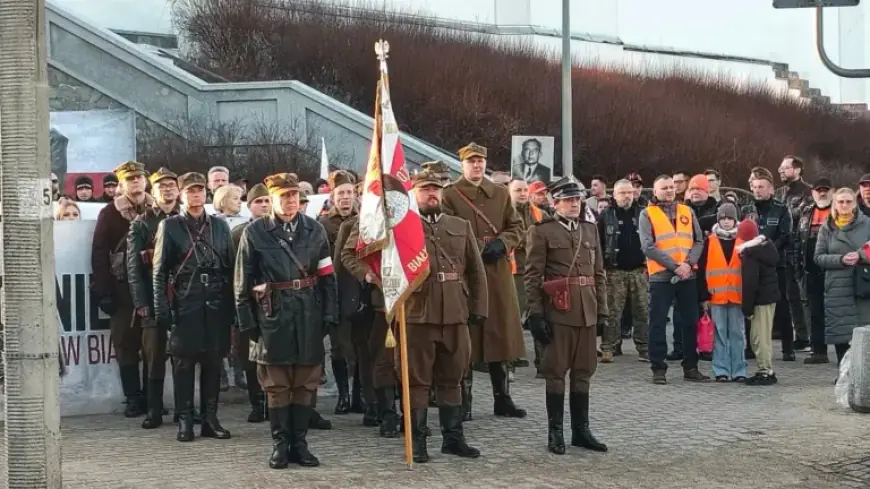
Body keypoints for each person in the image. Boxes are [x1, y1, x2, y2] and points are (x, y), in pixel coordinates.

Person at [234, 172, 338, 468]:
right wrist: (248, 323)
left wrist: (330, 313)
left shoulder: (315, 230)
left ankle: (300, 444)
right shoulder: (254, 233)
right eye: (284, 196)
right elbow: (242, 282)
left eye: (294, 196)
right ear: (273, 200)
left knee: (305, 383)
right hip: (272, 315)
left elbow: (327, 276)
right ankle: (280, 445)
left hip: (309, 314)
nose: (291, 201)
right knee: (277, 384)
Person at [402, 169, 487, 463]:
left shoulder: (460, 225)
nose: (431, 194)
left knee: (454, 378)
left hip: (455, 312)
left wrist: (478, 309)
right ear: (414, 193)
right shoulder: (403, 228)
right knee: (418, 381)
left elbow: (476, 271)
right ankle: (419, 440)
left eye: (436, 189)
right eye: (425, 189)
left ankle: (453, 438)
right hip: (418, 314)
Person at [442, 142, 527, 421]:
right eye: (471, 161)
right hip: (467, 273)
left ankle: (502, 398)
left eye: (480, 161)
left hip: (498, 271)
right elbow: (446, 230)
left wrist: (503, 243)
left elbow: (516, 226)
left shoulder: (501, 194)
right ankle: (463, 401)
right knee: (467, 338)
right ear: (462, 165)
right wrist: (470, 250)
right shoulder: (450, 195)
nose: (477, 165)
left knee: (499, 334)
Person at [525, 177, 608, 455]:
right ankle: (555, 432)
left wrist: (604, 312)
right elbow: (532, 276)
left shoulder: (590, 230)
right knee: (556, 372)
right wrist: (535, 314)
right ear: (555, 203)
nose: (574, 204)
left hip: (587, 310)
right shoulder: (542, 232)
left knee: (584, 372)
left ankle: (581, 431)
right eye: (568, 200)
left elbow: (599, 274)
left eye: (577, 200)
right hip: (558, 311)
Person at [153, 172, 235, 442]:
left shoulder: (220, 227)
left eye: (200, 190)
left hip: (216, 302)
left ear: (206, 193)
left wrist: (233, 307)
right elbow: (159, 272)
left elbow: (231, 268)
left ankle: (210, 419)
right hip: (185, 301)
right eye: (190, 190)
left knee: (213, 363)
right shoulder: (170, 226)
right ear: (181, 194)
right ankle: (185, 419)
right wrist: (162, 308)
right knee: (183, 365)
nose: (196, 194)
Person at [92, 161, 153, 417]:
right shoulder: (109, 213)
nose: (136, 182)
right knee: (125, 345)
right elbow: (99, 254)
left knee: (153, 345)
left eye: (139, 178)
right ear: (121, 185)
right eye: (130, 179)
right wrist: (104, 291)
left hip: (153, 286)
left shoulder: (158, 209)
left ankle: (153, 397)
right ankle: (133, 398)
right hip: (122, 287)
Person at [639, 175, 708, 385]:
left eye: (671, 187)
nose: (669, 191)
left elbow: (698, 240)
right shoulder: (647, 214)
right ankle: (658, 368)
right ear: (655, 191)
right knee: (657, 323)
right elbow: (648, 246)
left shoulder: (687, 211)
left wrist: (688, 264)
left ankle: (691, 366)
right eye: (664, 188)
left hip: (687, 275)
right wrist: (676, 266)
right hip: (661, 277)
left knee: (689, 322)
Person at [127, 168, 181, 429]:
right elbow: (133, 269)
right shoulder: (141, 223)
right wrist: (142, 304)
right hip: (152, 296)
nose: (167, 189)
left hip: (184, 299)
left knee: (185, 357)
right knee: (154, 358)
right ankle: (154, 410)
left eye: (172, 185)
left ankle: (184, 409)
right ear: (153, 190)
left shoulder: (188, 219)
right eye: (162, 186)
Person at [229, 183, 272, 423]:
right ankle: (258, 403)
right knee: (249, 354)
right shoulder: (239, 233)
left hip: (276, 301)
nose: (264, 205)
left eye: (267, 201)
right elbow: (234, 272)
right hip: (249, 301)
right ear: (249, 206)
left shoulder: (279, 230)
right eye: (259, 202)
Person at [317, 170, 358, 415]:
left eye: (349, 193)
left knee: (362, 346)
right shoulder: (322, 225)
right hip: (335, 292)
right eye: (341, 193)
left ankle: (360, 395)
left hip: (360, 290)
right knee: (339, 347)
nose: (345, 198)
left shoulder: (366, 220)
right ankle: (343, 395)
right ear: (333, 196)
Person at [742, 167, 794, 361]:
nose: (757, 190)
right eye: (754, 187)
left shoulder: (781, 209)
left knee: (781, 305)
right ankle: (750, 347)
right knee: (751, 304)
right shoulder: (747, 210)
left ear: (771, 190)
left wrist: (766, 249)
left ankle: (788, 348)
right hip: (752, 265)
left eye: (761, 187)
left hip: (776, 265)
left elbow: (785, 236)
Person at [814, 187, 870, 367]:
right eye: (840, 202)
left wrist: (860, 256)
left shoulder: (867, 224)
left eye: (848, 201)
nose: (844, 205)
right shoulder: (827, 227)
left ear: (855, 204)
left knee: (862, 336)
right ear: (834, 204)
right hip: (837, 288)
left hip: (861, 286)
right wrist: (840, 259)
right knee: (841, 336)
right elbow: (818, 257)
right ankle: (844, 377)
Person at [598, 179, 648, 362]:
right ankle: (609, 347)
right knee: (612, 312)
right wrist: (601, 267)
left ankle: (644, 347)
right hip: (614, 271)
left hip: (639, 270)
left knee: (642, 310)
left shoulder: (643, 213)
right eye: (622, 193)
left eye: (629, 192)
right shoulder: (605, 215)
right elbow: (599, 243)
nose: (627, 196)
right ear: (614, 195)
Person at [696, 203, 747, 382]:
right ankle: (721, 370)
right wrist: (704, 296)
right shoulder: (710, 241)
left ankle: (740, 370)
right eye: (723, 218)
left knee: (737, 334)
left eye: (729, 218)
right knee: (719, 334)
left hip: (737, 296)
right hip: (716, 296)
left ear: (735, 220)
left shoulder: (743, 241)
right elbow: (702, 270)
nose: (726, 222)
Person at [776, 155, 812, 352]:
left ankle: (810, 336)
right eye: (780, 168)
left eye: (785, 167)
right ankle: (800, 335)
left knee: (804, 295)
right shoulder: (779, 193)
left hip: (800, 251)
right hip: (783, 252)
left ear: (797, 169)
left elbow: (801, 217)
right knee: (789, 296)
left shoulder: (808, 192)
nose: (781, 170)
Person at [739, 219, 781, 386]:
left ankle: (765, 370)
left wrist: (746, 307)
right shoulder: (766, 247)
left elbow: (750, 283)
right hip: (769, 297)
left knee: (759, 337)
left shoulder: (751, 254)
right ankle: (766, 369)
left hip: (760, 300)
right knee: (764, 335)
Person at [508, 178, 545, 369]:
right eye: (517, 190)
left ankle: (542, 361)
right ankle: (513, 358)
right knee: (513, 318)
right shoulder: (503, 213)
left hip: (537, 272)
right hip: (513, 273)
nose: (522, 193)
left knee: (539, 315)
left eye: (524, 190)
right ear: (509, 192)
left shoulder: (540, 214)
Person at [796, 179, 833, 364]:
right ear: (813, 193)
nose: (822, 194)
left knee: (836, 313)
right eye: (819, 191)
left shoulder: (838, 211)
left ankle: (844, 351)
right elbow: (797, 240)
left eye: (826, 190)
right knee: (814, 313)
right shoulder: (806, 213)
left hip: (833, 272)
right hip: (810, 271)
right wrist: (798, 268)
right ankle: (819, 351)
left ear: (832, 192)